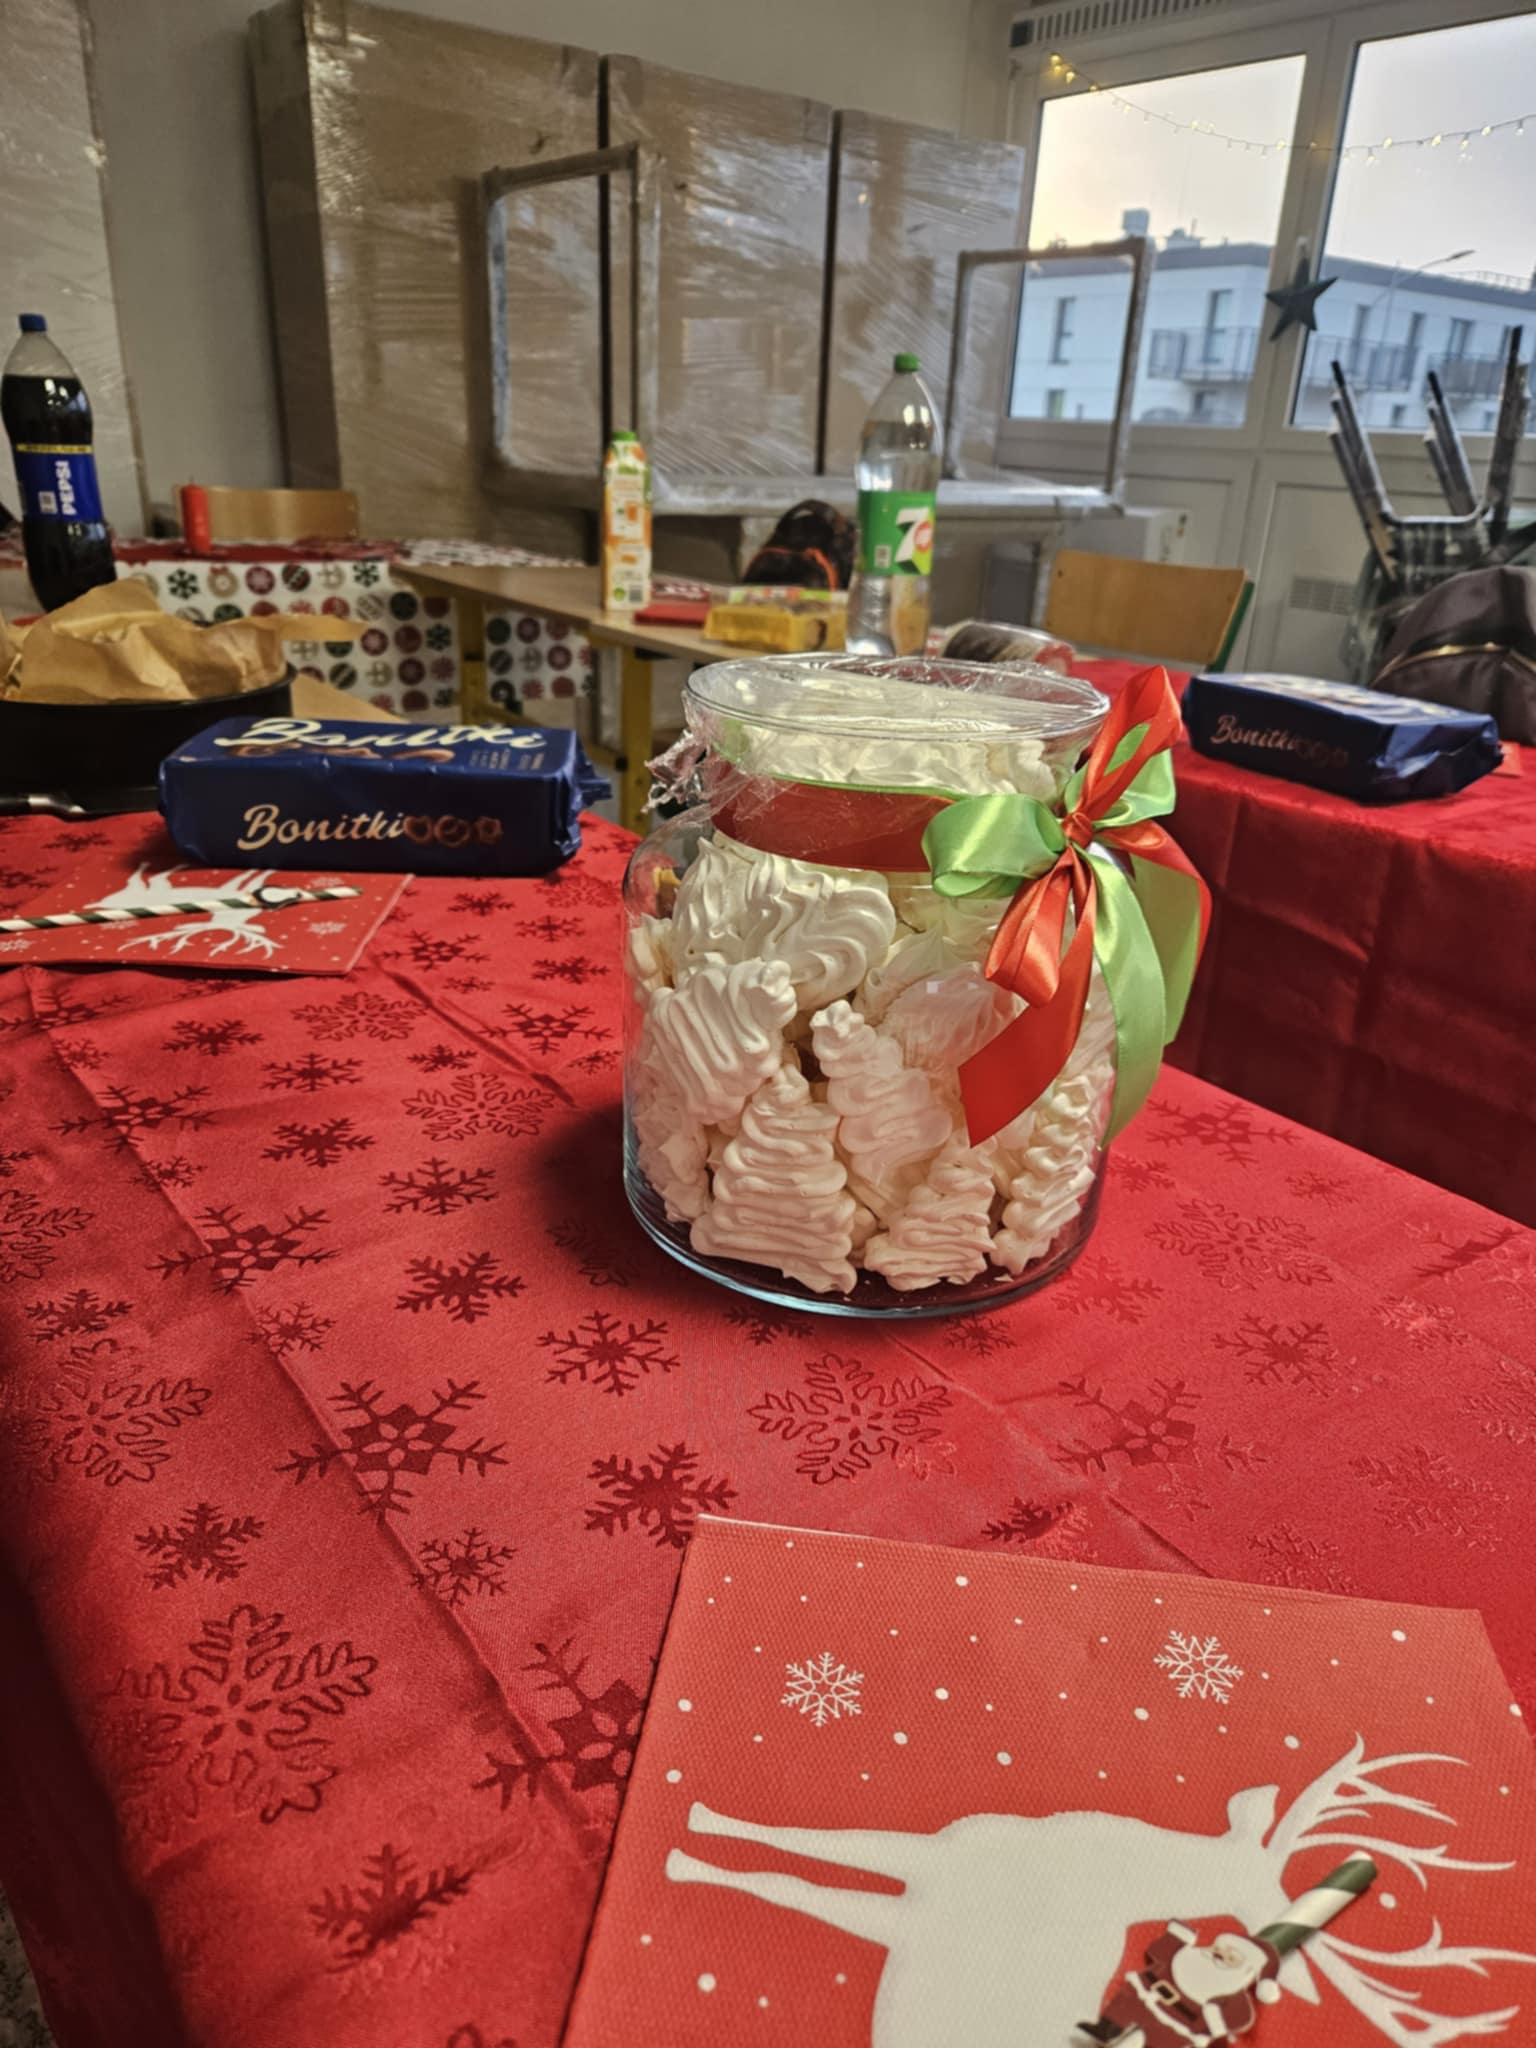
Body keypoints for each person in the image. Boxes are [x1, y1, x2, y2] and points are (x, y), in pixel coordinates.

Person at [1079, 1921, 1283, 2046]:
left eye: (1231, 1959)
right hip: (1145, 1994)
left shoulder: (1232, 1995)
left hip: (1179, 2023)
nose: (1219, 1956)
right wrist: (1176, 1937)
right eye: (1220, 1950)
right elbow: (1159, 1952)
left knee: (1161, 2040)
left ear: (1245, 1972)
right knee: (1125, 2008)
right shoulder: (1185, 1959)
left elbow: (1237, 2017)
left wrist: (1214, 2017)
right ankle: (1107, 2027)